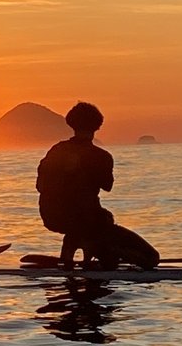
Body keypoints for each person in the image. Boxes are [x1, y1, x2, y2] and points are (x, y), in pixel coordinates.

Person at [35, 102, 159, 270]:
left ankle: (77, 242)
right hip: (89, 221)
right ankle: (97, 247)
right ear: (98, 126)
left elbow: (40, 186)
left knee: (97, 222)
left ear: (71, 123)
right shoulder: (101, 156)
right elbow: (107, 185)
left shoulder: (55, 151)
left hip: (53, 218)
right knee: (151, 259)